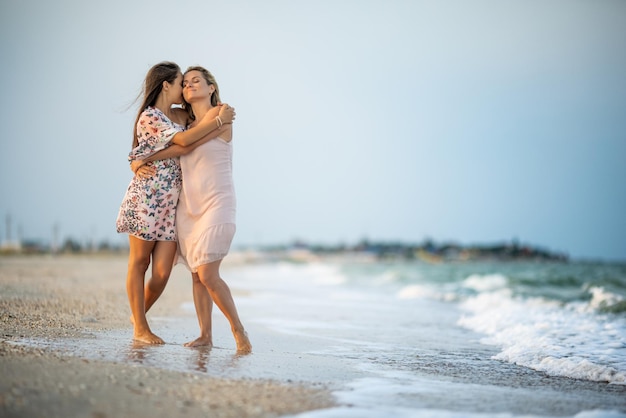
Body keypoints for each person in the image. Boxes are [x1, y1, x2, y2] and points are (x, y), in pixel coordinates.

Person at [133, 66, 251, 354]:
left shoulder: (221, 116)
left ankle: (239, 330)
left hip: (216, 202)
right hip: (188, 205)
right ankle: (205, 335)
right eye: (184, 83)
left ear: (212, 87)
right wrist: (136, 160)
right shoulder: (182, 120)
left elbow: (189, 141)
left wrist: (143, 156)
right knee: (197, 275)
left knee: (208, 273)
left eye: (196, 81)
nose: (188, 85)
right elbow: (153, 126)